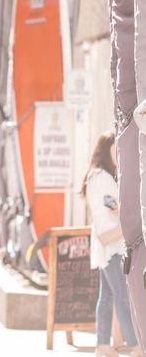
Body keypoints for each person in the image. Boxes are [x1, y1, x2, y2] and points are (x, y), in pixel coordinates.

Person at [80, 132, 139, 357]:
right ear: (107, 149)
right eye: (116, 148)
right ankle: (135, 344)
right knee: (121, 295)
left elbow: (111, 206)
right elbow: (107, 211)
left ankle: (102, 344)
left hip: (108, 243)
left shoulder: (99, 176)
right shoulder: (101, 177)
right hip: (111, 244)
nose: (119, 153)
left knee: (107, 296)